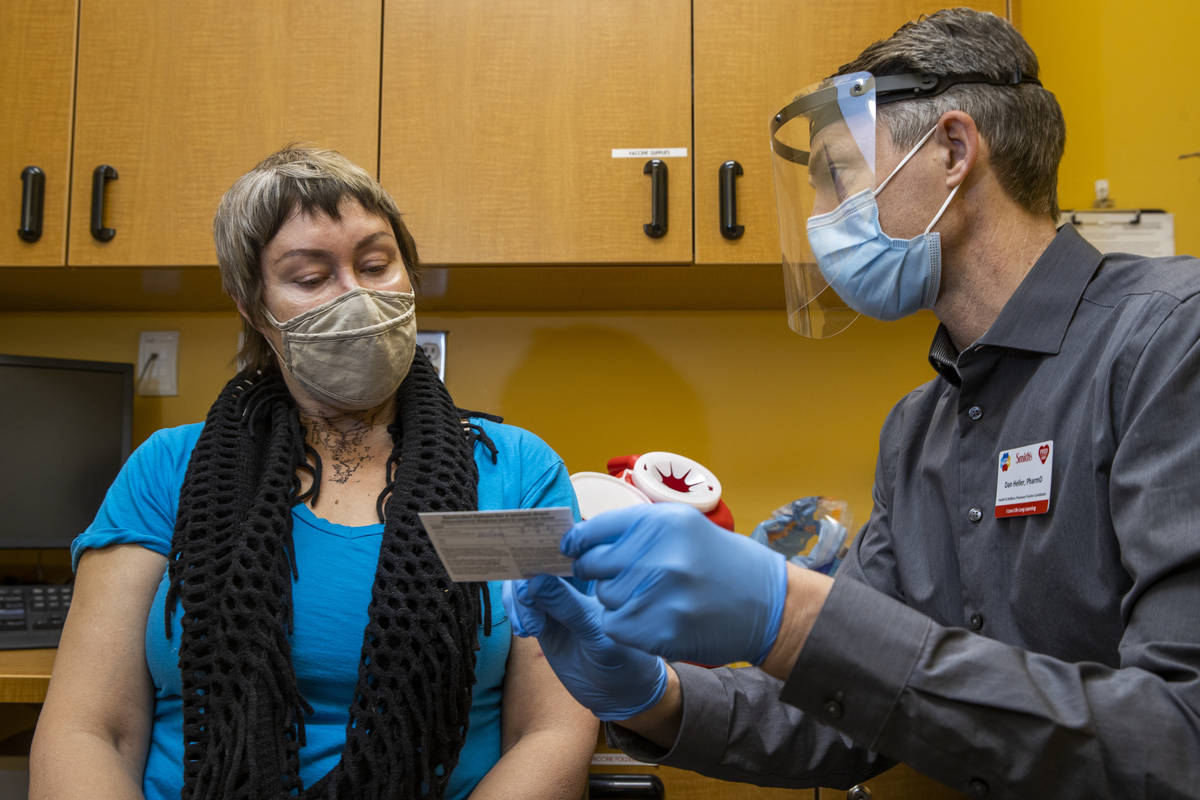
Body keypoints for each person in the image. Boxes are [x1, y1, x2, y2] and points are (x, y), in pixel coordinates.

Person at [505, 8, 1200, 799]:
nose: (819, 219)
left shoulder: (1172, 344)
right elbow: (852, 711)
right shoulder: (919, 430)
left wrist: (790, 612)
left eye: (836, 175)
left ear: (952, 150)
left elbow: (1177, 737)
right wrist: (652, 696)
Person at [29, 145, 597, 800]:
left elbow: (551, 730)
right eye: (309, 277)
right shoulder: (166, 471)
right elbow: (89, 730)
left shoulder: (515, 471)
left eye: (377, 264)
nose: (356, 296)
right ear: (253, 308)